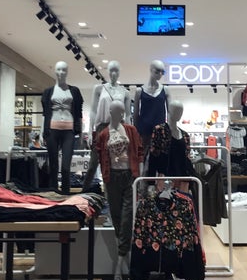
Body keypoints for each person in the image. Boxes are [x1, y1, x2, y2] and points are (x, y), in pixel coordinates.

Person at [95, 100, 143, 280]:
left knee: (126, 219)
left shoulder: (130, 130)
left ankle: (119, 267)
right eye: (118, 112)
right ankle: (126, 264)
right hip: (112, 179)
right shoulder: (103, 134)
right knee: (116, 218)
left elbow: (139, 152)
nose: (121, 115)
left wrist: (140, 177)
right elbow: (100, 157)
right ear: (110, 112)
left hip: (129, 177)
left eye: (123, 112)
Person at [83, 60, 131, 191]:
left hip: (118, 128)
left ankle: (112, 194)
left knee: (114, 163)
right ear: (107, 71)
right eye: (111, 70)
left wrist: (129, 133)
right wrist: (90, 130)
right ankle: (84, 191)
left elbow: (127, 115)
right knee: (94, 162)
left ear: (119, 72)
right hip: (102, 127)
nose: (113, 73)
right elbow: (93, 111)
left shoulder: (124, 92)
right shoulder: (99, 88)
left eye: (116, 70)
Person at [41, 61, 84, 194]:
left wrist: (81, 133)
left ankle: (66, 193)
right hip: (52, 129)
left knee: (66, 166)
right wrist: (42, 131)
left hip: (69, 131)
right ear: (55, 71)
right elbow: (45, 114)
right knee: (53, 165)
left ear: (67, 72)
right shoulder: (48, 92)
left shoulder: (74, 91)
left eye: (64, 70)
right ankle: (53, 192)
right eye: (59, 70)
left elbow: (79, 113)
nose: (61, 73)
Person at [148, 100, 193, 181]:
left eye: (180, 111)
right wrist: (151, 181)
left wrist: (191, 176)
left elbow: (187, 158)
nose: (179, 113)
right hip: (165, 177)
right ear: (169, 111)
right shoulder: (160, 130)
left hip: (183, 177)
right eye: (176, 110)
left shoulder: (185, 135)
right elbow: (153, 155)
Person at [133, 59, 171, 153]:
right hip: (143, 131)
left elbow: (170, 112)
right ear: (150, 70)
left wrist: (170, 130)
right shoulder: (139, 91)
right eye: (157, 71)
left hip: (160, 131)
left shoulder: (165, 90)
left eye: (163, 72)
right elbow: (135, 114)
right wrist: (135, 132)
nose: (160, 74)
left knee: (160, 157)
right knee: (142, 156)